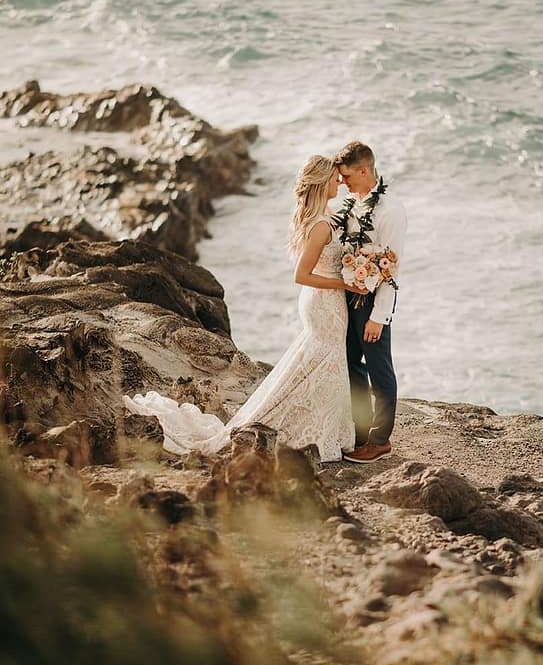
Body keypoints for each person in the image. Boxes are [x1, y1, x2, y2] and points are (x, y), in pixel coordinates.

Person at [124, 155, 363, 463]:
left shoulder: (322, 215)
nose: (339, 183)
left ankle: (324, 429)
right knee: (326, 364)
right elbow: (300, 275)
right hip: (324, 302)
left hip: (321, 301)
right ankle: (309, 430)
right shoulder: (319, 226)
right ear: (321, 183)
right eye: (334, 179)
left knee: (319, 365)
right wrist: (346, 284)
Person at [334, 141, 407, 463]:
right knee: (350, 365)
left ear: (364, 171)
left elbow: (392, 267)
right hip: (347, 299)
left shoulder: (390, 211)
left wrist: (380, 316)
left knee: (380, 371)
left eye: (347, 176)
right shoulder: (350, 203)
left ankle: (380, 441)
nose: (343, 182)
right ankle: (361, 432)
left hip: (374, 303)